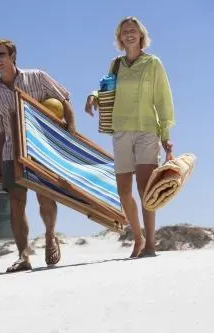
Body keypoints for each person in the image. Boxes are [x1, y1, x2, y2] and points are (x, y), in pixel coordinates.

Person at [85, 17, 175, 258]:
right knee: (124, 191)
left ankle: (151, 245)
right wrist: (93, 95)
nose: (129, 34)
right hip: (121, 131)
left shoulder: (152, 63)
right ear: (120, 37)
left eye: (133, 31)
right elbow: (107, 87)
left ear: (141, 35)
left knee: (146, 190)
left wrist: (165, 134)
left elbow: (163, 100)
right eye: (125, 31)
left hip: (147, 130)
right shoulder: (116, 64)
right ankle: (138, 237)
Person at [0, 39, 77, 272]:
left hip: (41, 149)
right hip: (10, 152)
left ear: (13, 55)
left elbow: (65, 101)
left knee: (45, 196)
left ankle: (49, 236)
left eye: (1, 54)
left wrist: (71, 138)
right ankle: (23, 256)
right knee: (16, 203)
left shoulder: (37, 77)